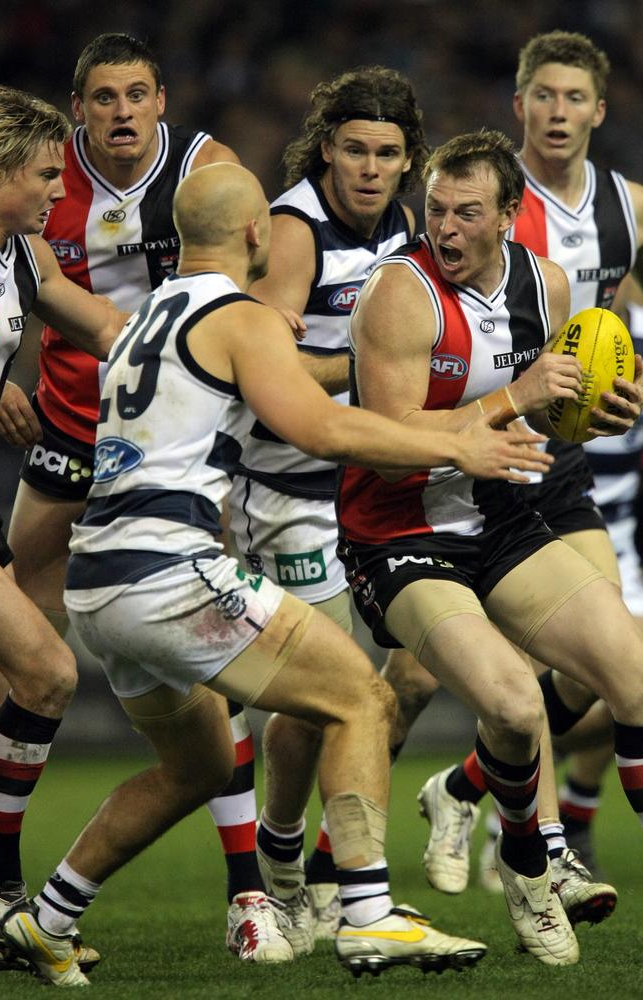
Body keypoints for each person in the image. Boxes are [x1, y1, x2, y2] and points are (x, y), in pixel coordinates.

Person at [0, 161, 551, 986]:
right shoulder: (237, 315)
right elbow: (322, 429)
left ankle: (45, 919)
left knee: (201, 769)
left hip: (99, 580)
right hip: (166, 573)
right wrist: (460, 442)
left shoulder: (145, 315)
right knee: (362, 694)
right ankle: (367, 914)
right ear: (257, 235)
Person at [0, 33, 277, 962]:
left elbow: (127, 318)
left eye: (138, 94)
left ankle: (247, 892)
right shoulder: (34, 210)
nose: (121, 113)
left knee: (199, 648)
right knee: (26, 652)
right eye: (103, 97)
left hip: (166, 447)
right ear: (77, 111)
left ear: (162, 101)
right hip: (70, 437)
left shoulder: (207, 176)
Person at [336, 128, 643, 967]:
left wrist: (596, 406)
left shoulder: (542, 285)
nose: (447, 227)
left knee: (633, 668)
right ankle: (528, 868)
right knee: (510, 703)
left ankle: (493, 822)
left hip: (501, 516)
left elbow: (548, 406)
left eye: (469, 212)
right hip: (398, 532)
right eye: (437, 208)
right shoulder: (400, 293)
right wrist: (518, 397)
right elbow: (381, 435)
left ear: (510, 215)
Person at [415, 30, 643, 905]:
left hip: (567, 456)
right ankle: (536, 856)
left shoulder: (627, 207)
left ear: (599, 110)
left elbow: (613, 317)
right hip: (478, 455)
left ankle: (465, 792)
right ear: (518, 106)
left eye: (574, 97)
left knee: (593, 667)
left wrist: (620, 384)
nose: (557, 111)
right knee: (445, 683)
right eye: (542, 95)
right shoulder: (483, 207)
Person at [228, 64, 432, 948]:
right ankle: (288, 860)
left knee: (415, 676)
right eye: (354, 149)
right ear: (326, 149)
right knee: (326, 693)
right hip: (292, 487)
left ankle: (317, 862)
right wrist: (373, 368)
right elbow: (263, 368)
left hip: (373, 481)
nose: (370, 168)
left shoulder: (412, 229)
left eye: (387, 153)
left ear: (409, 161)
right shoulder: (293, 229)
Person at [0, 84, 128, 969]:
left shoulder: (19, 252)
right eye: (45, 172)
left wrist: (212, 345)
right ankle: (2, 891)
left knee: (23, 670)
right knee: (44, 670)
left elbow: (111, 325)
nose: (58, 188)